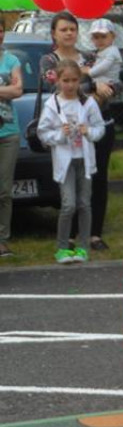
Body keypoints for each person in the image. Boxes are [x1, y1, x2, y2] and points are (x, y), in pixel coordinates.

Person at [40, 11, 117, 251]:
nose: (69, 33)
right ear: (54, 33)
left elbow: (115, 81)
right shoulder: (49, 60)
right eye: (63, 29)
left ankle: (94, 233)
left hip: (95, 125)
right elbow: (56, 82)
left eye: (72, 29)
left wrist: (107, 88)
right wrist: (94, 86)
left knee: (97, 178)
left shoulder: (90, 56)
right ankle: (71, 235)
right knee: (70, 180)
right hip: (65, 131)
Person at [37, 60, 105, 264]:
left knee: (84, 203)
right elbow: (43, 133)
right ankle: (62, 247)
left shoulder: (88, 102)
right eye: (65, 80)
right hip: (65, 162)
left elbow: (100, 128)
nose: (70, 85)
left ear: (80, 81)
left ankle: (83, 247)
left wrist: (89, 132)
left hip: (84, 160)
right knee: (68, 205)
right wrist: (60, 135)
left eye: (74, 80)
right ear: (57, 81)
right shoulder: (52, 104)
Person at [0, 22, 23, 258]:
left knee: (5, 189)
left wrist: (11, 89)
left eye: (0, 30)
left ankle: (2, 238)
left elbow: (18, 91)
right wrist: (7, 88)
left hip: (8, 132)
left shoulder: (12, 61)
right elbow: (12, 89)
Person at [83, 19, 122, 88]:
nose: (100, 40)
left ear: (113, 37)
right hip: (101, 82)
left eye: (103, 36)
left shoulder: (112, 51)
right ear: (92, 39)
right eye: (96, 37)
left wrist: (89, 71)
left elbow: (103, 67)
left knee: (84, 89)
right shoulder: (101, 51)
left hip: (111, 84)